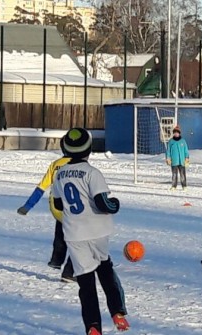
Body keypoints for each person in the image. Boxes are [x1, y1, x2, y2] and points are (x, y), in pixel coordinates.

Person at [51, 128, 129, 334]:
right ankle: (117, 311)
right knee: (105, 270)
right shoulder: (93, 173)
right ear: (89, 149)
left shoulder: (59, 174)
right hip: (97, 231)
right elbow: (103, 203)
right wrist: (115, 204)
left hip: (74, 235)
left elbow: (58, 204)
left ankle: (93, 328)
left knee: (86, 284)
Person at [17, 136, 75, 283]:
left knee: (61, 233)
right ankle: (69, 272)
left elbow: (41, 188)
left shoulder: (55, 164)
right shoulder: (80, 166)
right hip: (74, 211)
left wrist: (28, 206)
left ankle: (56, 260)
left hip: (57, 209)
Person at [165, 125, 189, 191]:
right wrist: (168, 158)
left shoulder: (183, 141)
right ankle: (174, 186)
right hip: (174, 161)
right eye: (175, 132)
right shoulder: (171, 142)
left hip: (181, 161)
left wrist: (187, 158)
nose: (176, 133)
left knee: (182, 174)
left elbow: (186, 150)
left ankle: (184, 186)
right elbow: (168, 151)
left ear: (179, 133)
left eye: (177, 132)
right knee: (174, 175)